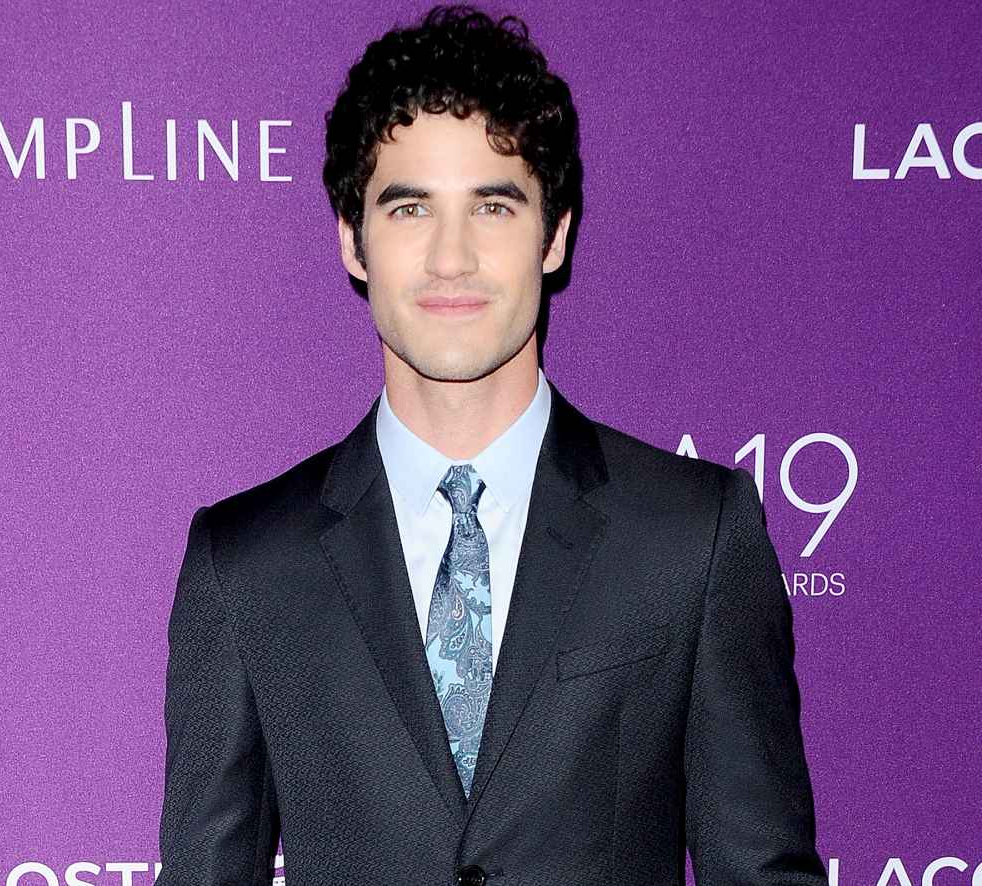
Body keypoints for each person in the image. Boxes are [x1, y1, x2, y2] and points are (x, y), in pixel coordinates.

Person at [157, 5, 829, 885]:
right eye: (409, 209)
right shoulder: (246, 564)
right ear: (353, 242)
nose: (451, 257)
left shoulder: (691, 537)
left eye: (494, 206)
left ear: (554, 235)